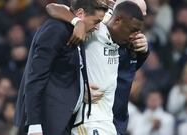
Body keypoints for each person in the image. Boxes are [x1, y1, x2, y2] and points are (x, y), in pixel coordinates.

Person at [46, 0, 148, 134]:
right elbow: (52, 7)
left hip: (110, 121)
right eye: (132, 29)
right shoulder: (97, 26)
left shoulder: (125, 40)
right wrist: (77, 22)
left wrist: (144, 51)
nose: (134, 35)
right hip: (89, 121)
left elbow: (127, 69)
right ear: (118, 19)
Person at [14, 0, 108, 135]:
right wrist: (34, 124)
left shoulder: (77, 32)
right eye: (96, 21)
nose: (97, 27)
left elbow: (61, 75)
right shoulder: (56, 30)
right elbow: (35, 79)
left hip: (61, 122)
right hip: (45, 124)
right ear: (80, 14)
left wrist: (81, 92)